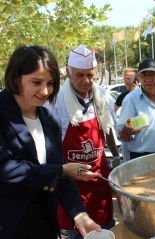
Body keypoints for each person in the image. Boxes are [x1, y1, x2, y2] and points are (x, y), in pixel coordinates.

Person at [0, 45, 102, 239]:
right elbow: (6, 168)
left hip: (44, 225)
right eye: (36, 82)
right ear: (15, 78)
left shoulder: (49, 119)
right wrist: (61, 170)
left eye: (51, 83)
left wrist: (79, 214)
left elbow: (58, 173)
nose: (45, 91)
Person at [48, 45, 119, 239]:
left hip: (98, 175)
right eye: (79, 75)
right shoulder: (55, 101)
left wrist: (117, 157)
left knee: (105, 230)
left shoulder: (102, 96)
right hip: (71, 181)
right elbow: (49, 146)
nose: (86, 81)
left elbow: (109, 128)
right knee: (76, 233)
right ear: (69, 72)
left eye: (90, 75)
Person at [114, 67, 139, 163]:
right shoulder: (122, 96)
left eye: (129, 78)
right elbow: (113, 112)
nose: (126, 81)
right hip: (126, 135)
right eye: (125, 78)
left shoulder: (142, 93)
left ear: (136, 78)